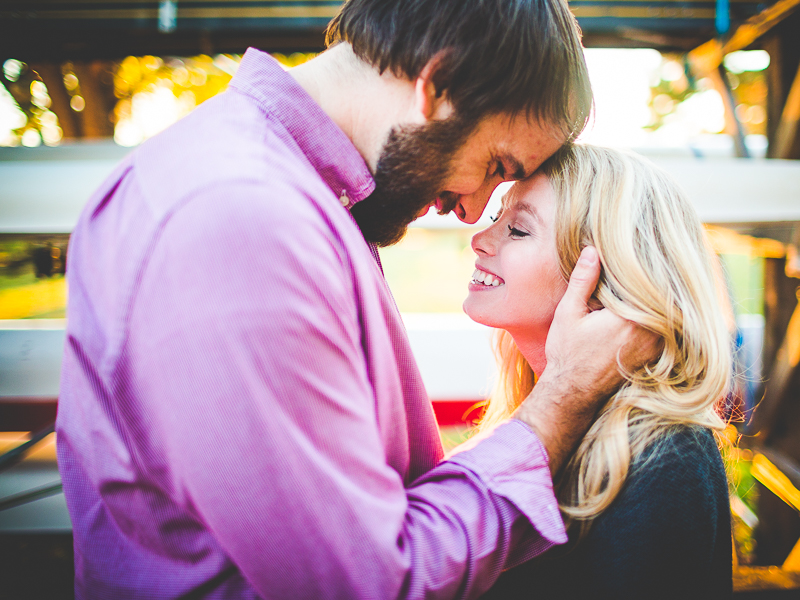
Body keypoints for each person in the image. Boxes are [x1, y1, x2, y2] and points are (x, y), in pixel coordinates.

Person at [56, 1, 658, 598]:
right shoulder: (240, 223)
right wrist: (562, 398)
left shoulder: (279, 193)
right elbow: (371, 585)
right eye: (496, 164)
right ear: (437, 84)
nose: (474, 209)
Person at [463, 145, 734, 599]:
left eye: (517, 229)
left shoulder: (660, 455)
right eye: (497, 217)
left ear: (601, 280)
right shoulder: (547, 416)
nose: (481, 238)